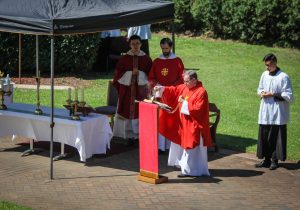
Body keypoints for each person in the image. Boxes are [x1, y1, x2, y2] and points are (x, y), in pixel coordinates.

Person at [154, 70, 212, 177]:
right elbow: (174, 90)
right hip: (183, 124)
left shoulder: (201, 92)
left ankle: (190, 171)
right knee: (184, 147)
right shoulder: (185, 87)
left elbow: (198, 109)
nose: (184, 84)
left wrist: (184, 102)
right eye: (184, 81)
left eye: (186, 81)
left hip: (194, 125)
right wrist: (162, 88)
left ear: (194, 80)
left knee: (191, 147)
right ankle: (185, 167)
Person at [255, 53, 294, 170]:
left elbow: (289, 96)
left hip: (277, 113)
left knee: (276, 137)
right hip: (265, 111)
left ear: (275, 63)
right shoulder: (264, 75)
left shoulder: (283, 77)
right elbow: (260, 88)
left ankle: (274, 160)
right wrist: (262, 93)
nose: (267, 67)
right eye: (266, 65)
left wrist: (272, 94)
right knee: (265, 135)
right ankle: (266, 159)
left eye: (269, 65)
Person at [112, 35, 152, 145]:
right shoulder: (124, 58)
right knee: (127, 111)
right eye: (133, 44)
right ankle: (129, 136)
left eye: (137, 43)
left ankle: (140, 135)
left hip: (141, 92)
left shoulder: (146, 59)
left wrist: (140, 74)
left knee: (140, 112)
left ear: (141, 44)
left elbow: (151, 76)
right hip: (127, 91)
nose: (135, 46)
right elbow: (117, 75)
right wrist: (130, 73)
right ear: (129, 45)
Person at [148, 37, 185, 154]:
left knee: (171, 120)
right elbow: (151, 77)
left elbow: (182, 78)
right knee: (160, 119)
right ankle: (160, 146)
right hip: (160, 95)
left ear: (171, 47)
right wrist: (158, 85)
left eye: (167, 48)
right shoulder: (157, 61)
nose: (164, 50)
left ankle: (171, 146)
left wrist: (171, 88)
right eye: (163, 48)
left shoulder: (177, 61)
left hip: (173, 95)